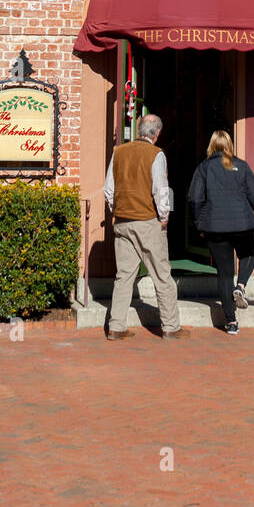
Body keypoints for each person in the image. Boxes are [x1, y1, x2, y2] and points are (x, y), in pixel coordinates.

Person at [104, 113, 190, 341]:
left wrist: (118, 209)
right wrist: (164, 217)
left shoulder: (118, 152)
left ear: (139, 129)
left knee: (123, 276)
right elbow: (161, 190)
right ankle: (171, 327)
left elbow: (108, 190)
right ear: (157, 134)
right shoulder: (156, 154)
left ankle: (116, 326)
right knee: (162, 275)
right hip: (147, 221)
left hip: (123, 220)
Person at [188, 130, 254, 336]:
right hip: (243, 224)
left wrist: (200, 224)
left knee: (224, 274)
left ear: (211, 146)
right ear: (229, 145)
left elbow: (194, 200)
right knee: (248, 256)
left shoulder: (204, 168)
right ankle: (242, 285)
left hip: (215, 228)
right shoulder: (242, 166)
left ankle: (231, 322)